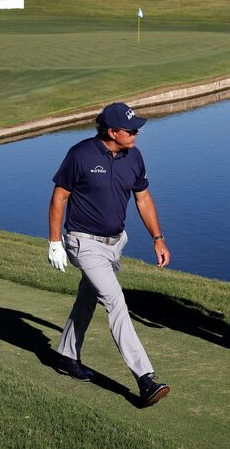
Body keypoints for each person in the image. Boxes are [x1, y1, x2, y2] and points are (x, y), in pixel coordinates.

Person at [48, 102, 171, 407]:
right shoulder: (81, 155)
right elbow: (60, 196)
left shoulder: (134, 157)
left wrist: (158, 238)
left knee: (88, 298)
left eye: (137, 129)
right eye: (130, 130)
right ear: (111, 131)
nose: (136, 134)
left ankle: (65, 355)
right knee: (115, 301)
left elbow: (143, 199)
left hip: (116, 243)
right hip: (83, 243)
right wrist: (54, 242)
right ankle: (145, 378)